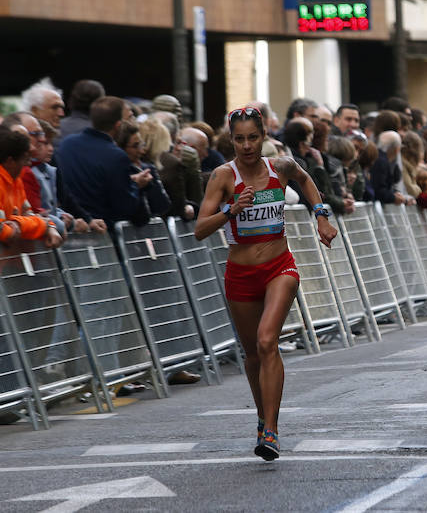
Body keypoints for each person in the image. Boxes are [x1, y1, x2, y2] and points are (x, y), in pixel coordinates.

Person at [194, 106, 337, 461]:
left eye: (253, 137)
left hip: (279, 268)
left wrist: (320, 215)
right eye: (239, 139)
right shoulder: (222, 177)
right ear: (231, 140)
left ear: (264, 137)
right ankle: (262, 417)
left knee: (267, 339)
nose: (246, 146)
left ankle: (270, 431)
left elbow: (305, 179)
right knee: (254, 355)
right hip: (240, 275)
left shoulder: (281, 167)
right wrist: (231, 210)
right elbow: (199, 230)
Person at [56, 96, 151, 228]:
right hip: (103, 232)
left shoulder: (67, 143)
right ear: (118, 125)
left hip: (74, 228)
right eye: (128, 118)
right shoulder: (116, 156)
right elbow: (124, 207)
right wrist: (136, 185)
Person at [0, 127, 63, 248]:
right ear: (10, 161)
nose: (28, 164)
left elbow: (29, 215)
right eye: (25, 159)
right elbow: (5, 232)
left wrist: (48, 226)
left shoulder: (16, 180)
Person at [117, 122, 171, 217]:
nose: (142, 150)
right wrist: (135, 185)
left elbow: (162, 206)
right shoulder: (112, 172)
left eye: (141, 144)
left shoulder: (147, 169)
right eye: (135, 146)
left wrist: (148, 184)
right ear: (120, 148)